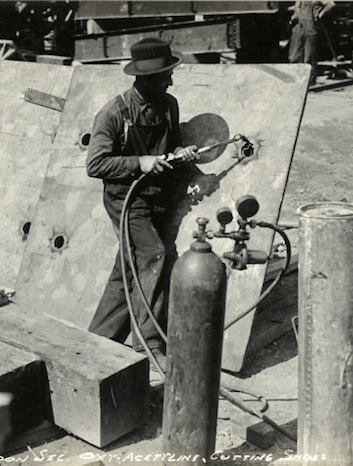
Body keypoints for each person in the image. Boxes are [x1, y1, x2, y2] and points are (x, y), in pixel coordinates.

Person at [85, 38, 198, 369]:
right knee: (153, 255)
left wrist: (180, 155)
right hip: (125, 199)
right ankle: (147, 343)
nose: (170, 81)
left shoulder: (169, 104)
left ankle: (99, 337)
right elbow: (95, 165)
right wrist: (140, 162)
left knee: (129, 267)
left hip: (156, 198)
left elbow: (171, 148)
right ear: (145, 79)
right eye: (165, 76)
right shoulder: (114, 113)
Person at [288, 0, 335, 87]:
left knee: (309, 57)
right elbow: (297, 7)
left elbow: (331, 4)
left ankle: (309, 83)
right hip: (298, 28)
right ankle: (295, 82)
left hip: (311, 29)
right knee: (294, 56)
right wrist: (294, 16)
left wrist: (320, 14)